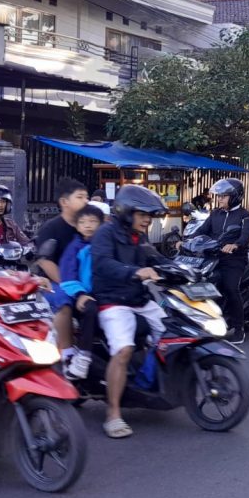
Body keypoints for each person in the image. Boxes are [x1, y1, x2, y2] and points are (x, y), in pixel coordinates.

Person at [91, 184, 168, 438]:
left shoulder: (140, 237)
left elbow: (156, 259)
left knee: (174, 334)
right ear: (126, 211)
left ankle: (157, 385)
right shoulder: (105, 233)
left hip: (139, 300)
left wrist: (188, 269)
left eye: (150, 215)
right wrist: (134, 272)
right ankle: (113, 414)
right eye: (143, 214)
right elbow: (103, 264)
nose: (148, 219)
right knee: (123, 350)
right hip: (113, 302)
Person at [34, 178, 88, 359]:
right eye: (80, 197)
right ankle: (67, 354)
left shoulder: (90, 227)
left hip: (83, 282)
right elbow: (45, 261)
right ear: (64, 202)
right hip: (53, 283)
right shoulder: (51, 228)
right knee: (64, 302)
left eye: (86, 197)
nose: (85, 202)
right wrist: (70, 285)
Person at [202, 178, 249, 344]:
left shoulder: (244, 216)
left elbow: (246, 236)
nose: (219, 199)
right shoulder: (215, 214)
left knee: (231, 288)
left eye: (223, 196)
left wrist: (235, 245)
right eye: (219, 196)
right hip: (213, 257)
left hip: (234, 259)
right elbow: (201, 231)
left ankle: (239, 329)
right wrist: (185, 240)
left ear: (235, 197)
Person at [57, 204, 105, 380]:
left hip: (107, 294)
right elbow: (68, 276)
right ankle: (83, 357)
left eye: (93, 221)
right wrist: (79, 294)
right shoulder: (75, 248)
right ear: (76, 226)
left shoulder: (106, 244)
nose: (88, 225)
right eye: (83, 222)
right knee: (90, 310)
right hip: (84, 295)